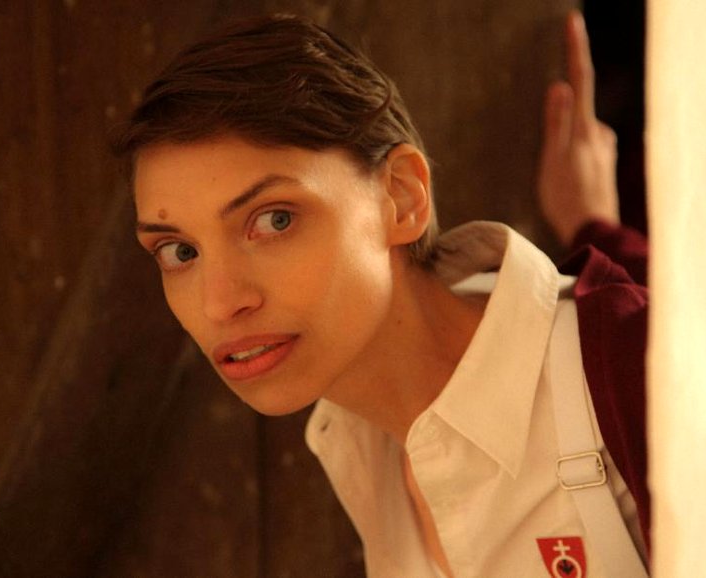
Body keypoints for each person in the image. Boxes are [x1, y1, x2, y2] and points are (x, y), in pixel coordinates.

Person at [113, 10, 649, 577]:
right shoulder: (357, 449)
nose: (220, 304)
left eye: (273, 220)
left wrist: (600, 234)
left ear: (402, 197)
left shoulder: (627, 369)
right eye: (180, 252)